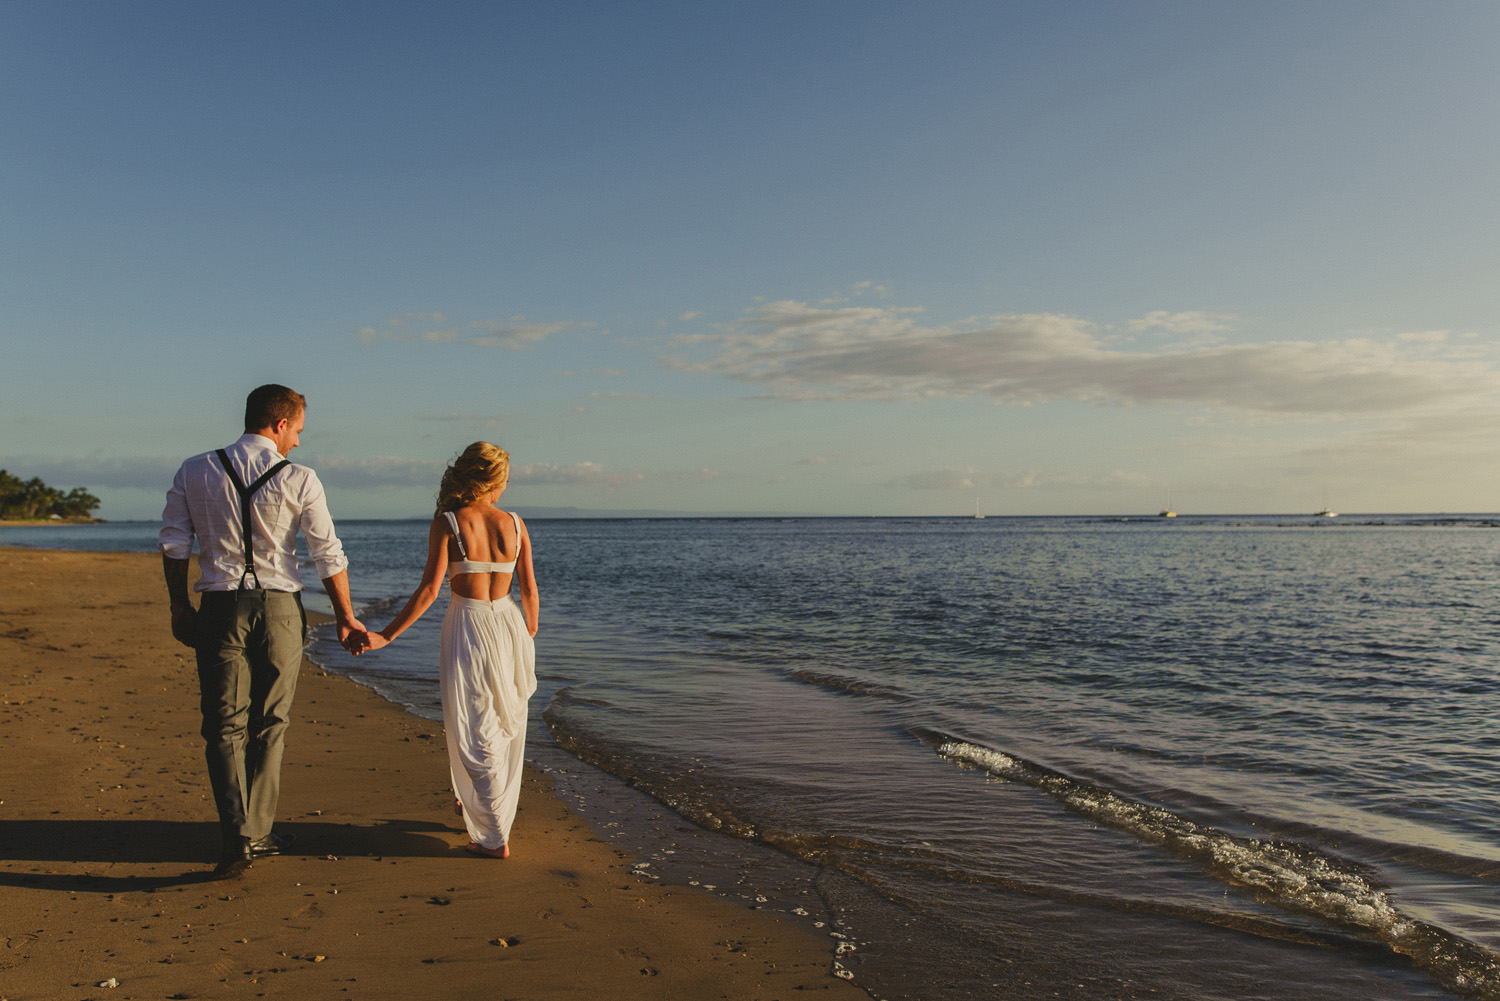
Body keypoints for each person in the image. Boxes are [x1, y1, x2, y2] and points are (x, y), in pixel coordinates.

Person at [159, 384, 364, 878]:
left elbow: (174, 544)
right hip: (279, 610)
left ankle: (236, 837)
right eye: (296, 430)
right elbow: (326, 554)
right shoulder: (300, 477)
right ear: (278, 425)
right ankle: (259, 831)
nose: (297, 440)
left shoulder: (195, 469)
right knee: (271, 721)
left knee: (223, 724)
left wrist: (178, 606)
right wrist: (345, 616)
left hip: (219, 606)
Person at [353, 442, 538, 858]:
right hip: (508, 624)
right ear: (491, 479)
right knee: (501, 719)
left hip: (470, 624)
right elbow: (529, 589)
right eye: (504, 478)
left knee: (475, 723)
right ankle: (480, 808)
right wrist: (528, 631)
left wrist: (388, 634)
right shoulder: (515, 523)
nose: (507, 486)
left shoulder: (448, 523)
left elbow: (429, 591)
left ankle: (493, 838)